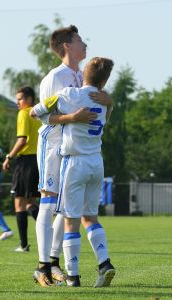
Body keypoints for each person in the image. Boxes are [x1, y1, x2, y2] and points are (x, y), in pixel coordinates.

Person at [31, 25, 113, 287]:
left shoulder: (80, 77)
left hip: (73, 151)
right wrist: (72, 118)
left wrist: (110, 102)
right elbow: (44, 117)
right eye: (79, 40)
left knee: (65, 209)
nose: (84, 44)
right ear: (67, 45)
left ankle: (54, 262)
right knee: (49, 200)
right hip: (53, 145)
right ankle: (42, 266)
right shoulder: (55, 77)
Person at [3, 86, 41, 252]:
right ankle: (52, 236)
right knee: (30, 202)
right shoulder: (39, 113)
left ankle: (24, 245)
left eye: (20, 99)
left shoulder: (24, 113)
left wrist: (8, 157)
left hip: (25, 162)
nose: (18, 102)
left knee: (19, 203)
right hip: (38, 161)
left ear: (30, 99)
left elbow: (22, 140)